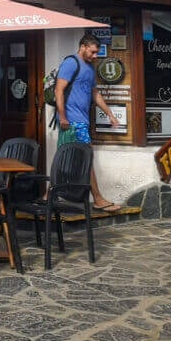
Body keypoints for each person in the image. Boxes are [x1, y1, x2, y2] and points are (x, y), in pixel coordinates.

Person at [54, 33, 121, 212]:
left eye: (97, 52)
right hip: (72, 121)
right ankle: (98, 199)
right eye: (92, 52)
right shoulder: (71, 63)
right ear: (82, 47)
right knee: (86, 157)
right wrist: (63, 116)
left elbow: (94, 93)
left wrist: (110, 114)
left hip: (81, 120)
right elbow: (58, 91)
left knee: (67, 158)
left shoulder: (90, 68)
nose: (95, 56)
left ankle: (48, 195)